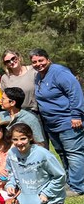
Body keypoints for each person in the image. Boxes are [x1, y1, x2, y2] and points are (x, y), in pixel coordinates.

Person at [31, 48, 84, 195]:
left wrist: (76, 115)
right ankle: (70, 182)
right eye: (34, 62)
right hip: (52, 123)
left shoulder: (59, 72)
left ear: (48, 59)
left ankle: (78, 186)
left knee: (74, 153)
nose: (38, 64)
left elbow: (75, 92)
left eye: (41, 60)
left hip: (68, 121)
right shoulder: (39, 76)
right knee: (62, 153)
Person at [5, 123, 67, 204]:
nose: (19, 143)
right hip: (28, 199)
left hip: (48, 198)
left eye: (23, 139)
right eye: (15, 140)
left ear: (30, 137)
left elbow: (60, 176)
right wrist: (10, 185)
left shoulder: (43, 154)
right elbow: (11, 173)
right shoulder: (12, 154)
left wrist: (46, 193)